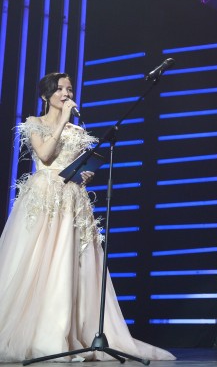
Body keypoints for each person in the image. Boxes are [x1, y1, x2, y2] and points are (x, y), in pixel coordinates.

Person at [0, 72, 175, 362]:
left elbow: (76, 165)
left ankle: (72, 330)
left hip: (72, 199)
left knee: (71, 263)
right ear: (45, 96)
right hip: (44, 198)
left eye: (69, 89)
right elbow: (45, 156)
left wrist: (85, 174)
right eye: (59, 89)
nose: (66, 94)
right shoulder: (35, 123)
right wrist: (61, 121)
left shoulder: (78, 131)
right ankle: (38, 333)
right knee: (37, 260)